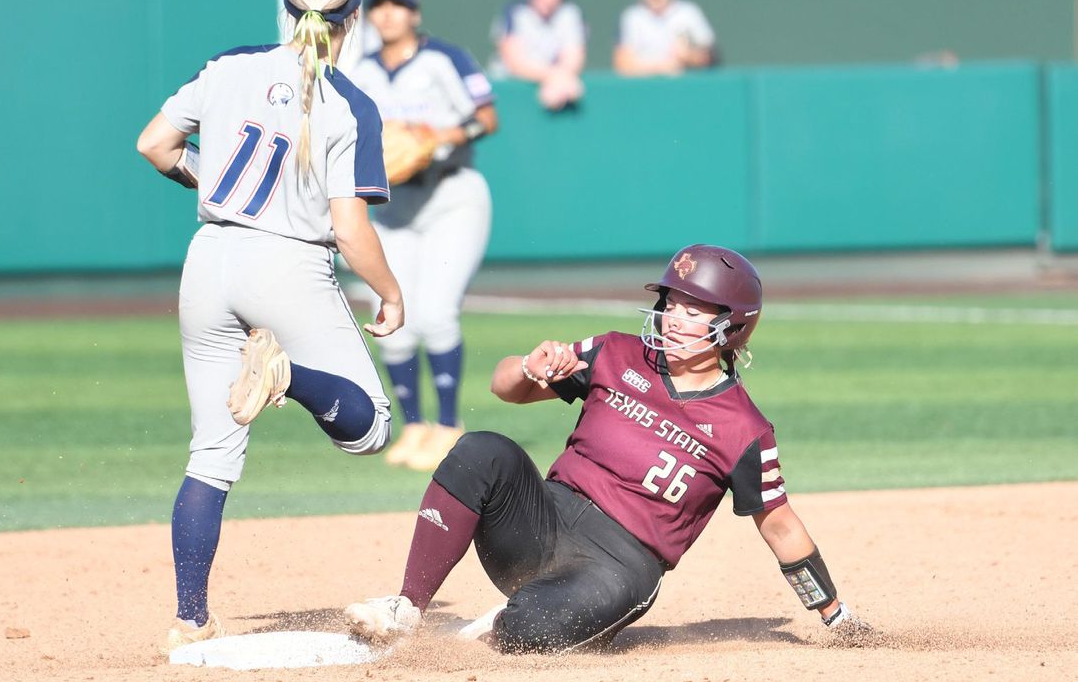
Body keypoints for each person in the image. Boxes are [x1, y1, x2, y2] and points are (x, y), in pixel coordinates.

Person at [344, 245, 869, 654]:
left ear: (731, 326)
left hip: (619, 565)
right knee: (481, 450)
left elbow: (778, 524)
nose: (673, 317)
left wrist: (834, 613)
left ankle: (509, 619)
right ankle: (407, 607)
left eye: (694, 309)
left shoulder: (744, 428)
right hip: (543, 520)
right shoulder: (616, 352)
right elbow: (504, 388)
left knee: (532, 631)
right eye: (672, 303)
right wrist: (531, 365)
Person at [136, 0, 404, 654]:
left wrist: (205, 182)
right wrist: (390, 290)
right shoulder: (349, 102)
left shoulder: (227, 67)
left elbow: (155, 145)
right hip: (285, 262)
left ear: (288, 7)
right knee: (372, 426)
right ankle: (286, 376)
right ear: (352, 18)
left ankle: (190, 617)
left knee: (212, 453)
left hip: (210, 257)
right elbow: (349, 226)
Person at [351, 0, 499, 472]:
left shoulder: (444, 59)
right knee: (391, 320)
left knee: (435, 312)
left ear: (415, 12)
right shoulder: (361, 71)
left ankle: (449, 427)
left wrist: (437, 136)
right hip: (390, 205)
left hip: (449, 194)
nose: (388, 13)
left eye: (398, 4)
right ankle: (414, 424)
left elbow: (487, 118)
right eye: (380, 5)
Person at [490, 0, 587, 111]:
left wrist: (558, 81)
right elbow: (515, 63)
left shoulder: (570, 13)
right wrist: (557, 79)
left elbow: (574, 57)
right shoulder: (515, 12)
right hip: (507, 93)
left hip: (556, 86)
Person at [613, 0, 717, 77]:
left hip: (682, 85)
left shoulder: (688, 12)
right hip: (643, 87)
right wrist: (662, 67)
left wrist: (689, 56)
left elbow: (710, 56)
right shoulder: (632, 17)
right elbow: (622, 63)